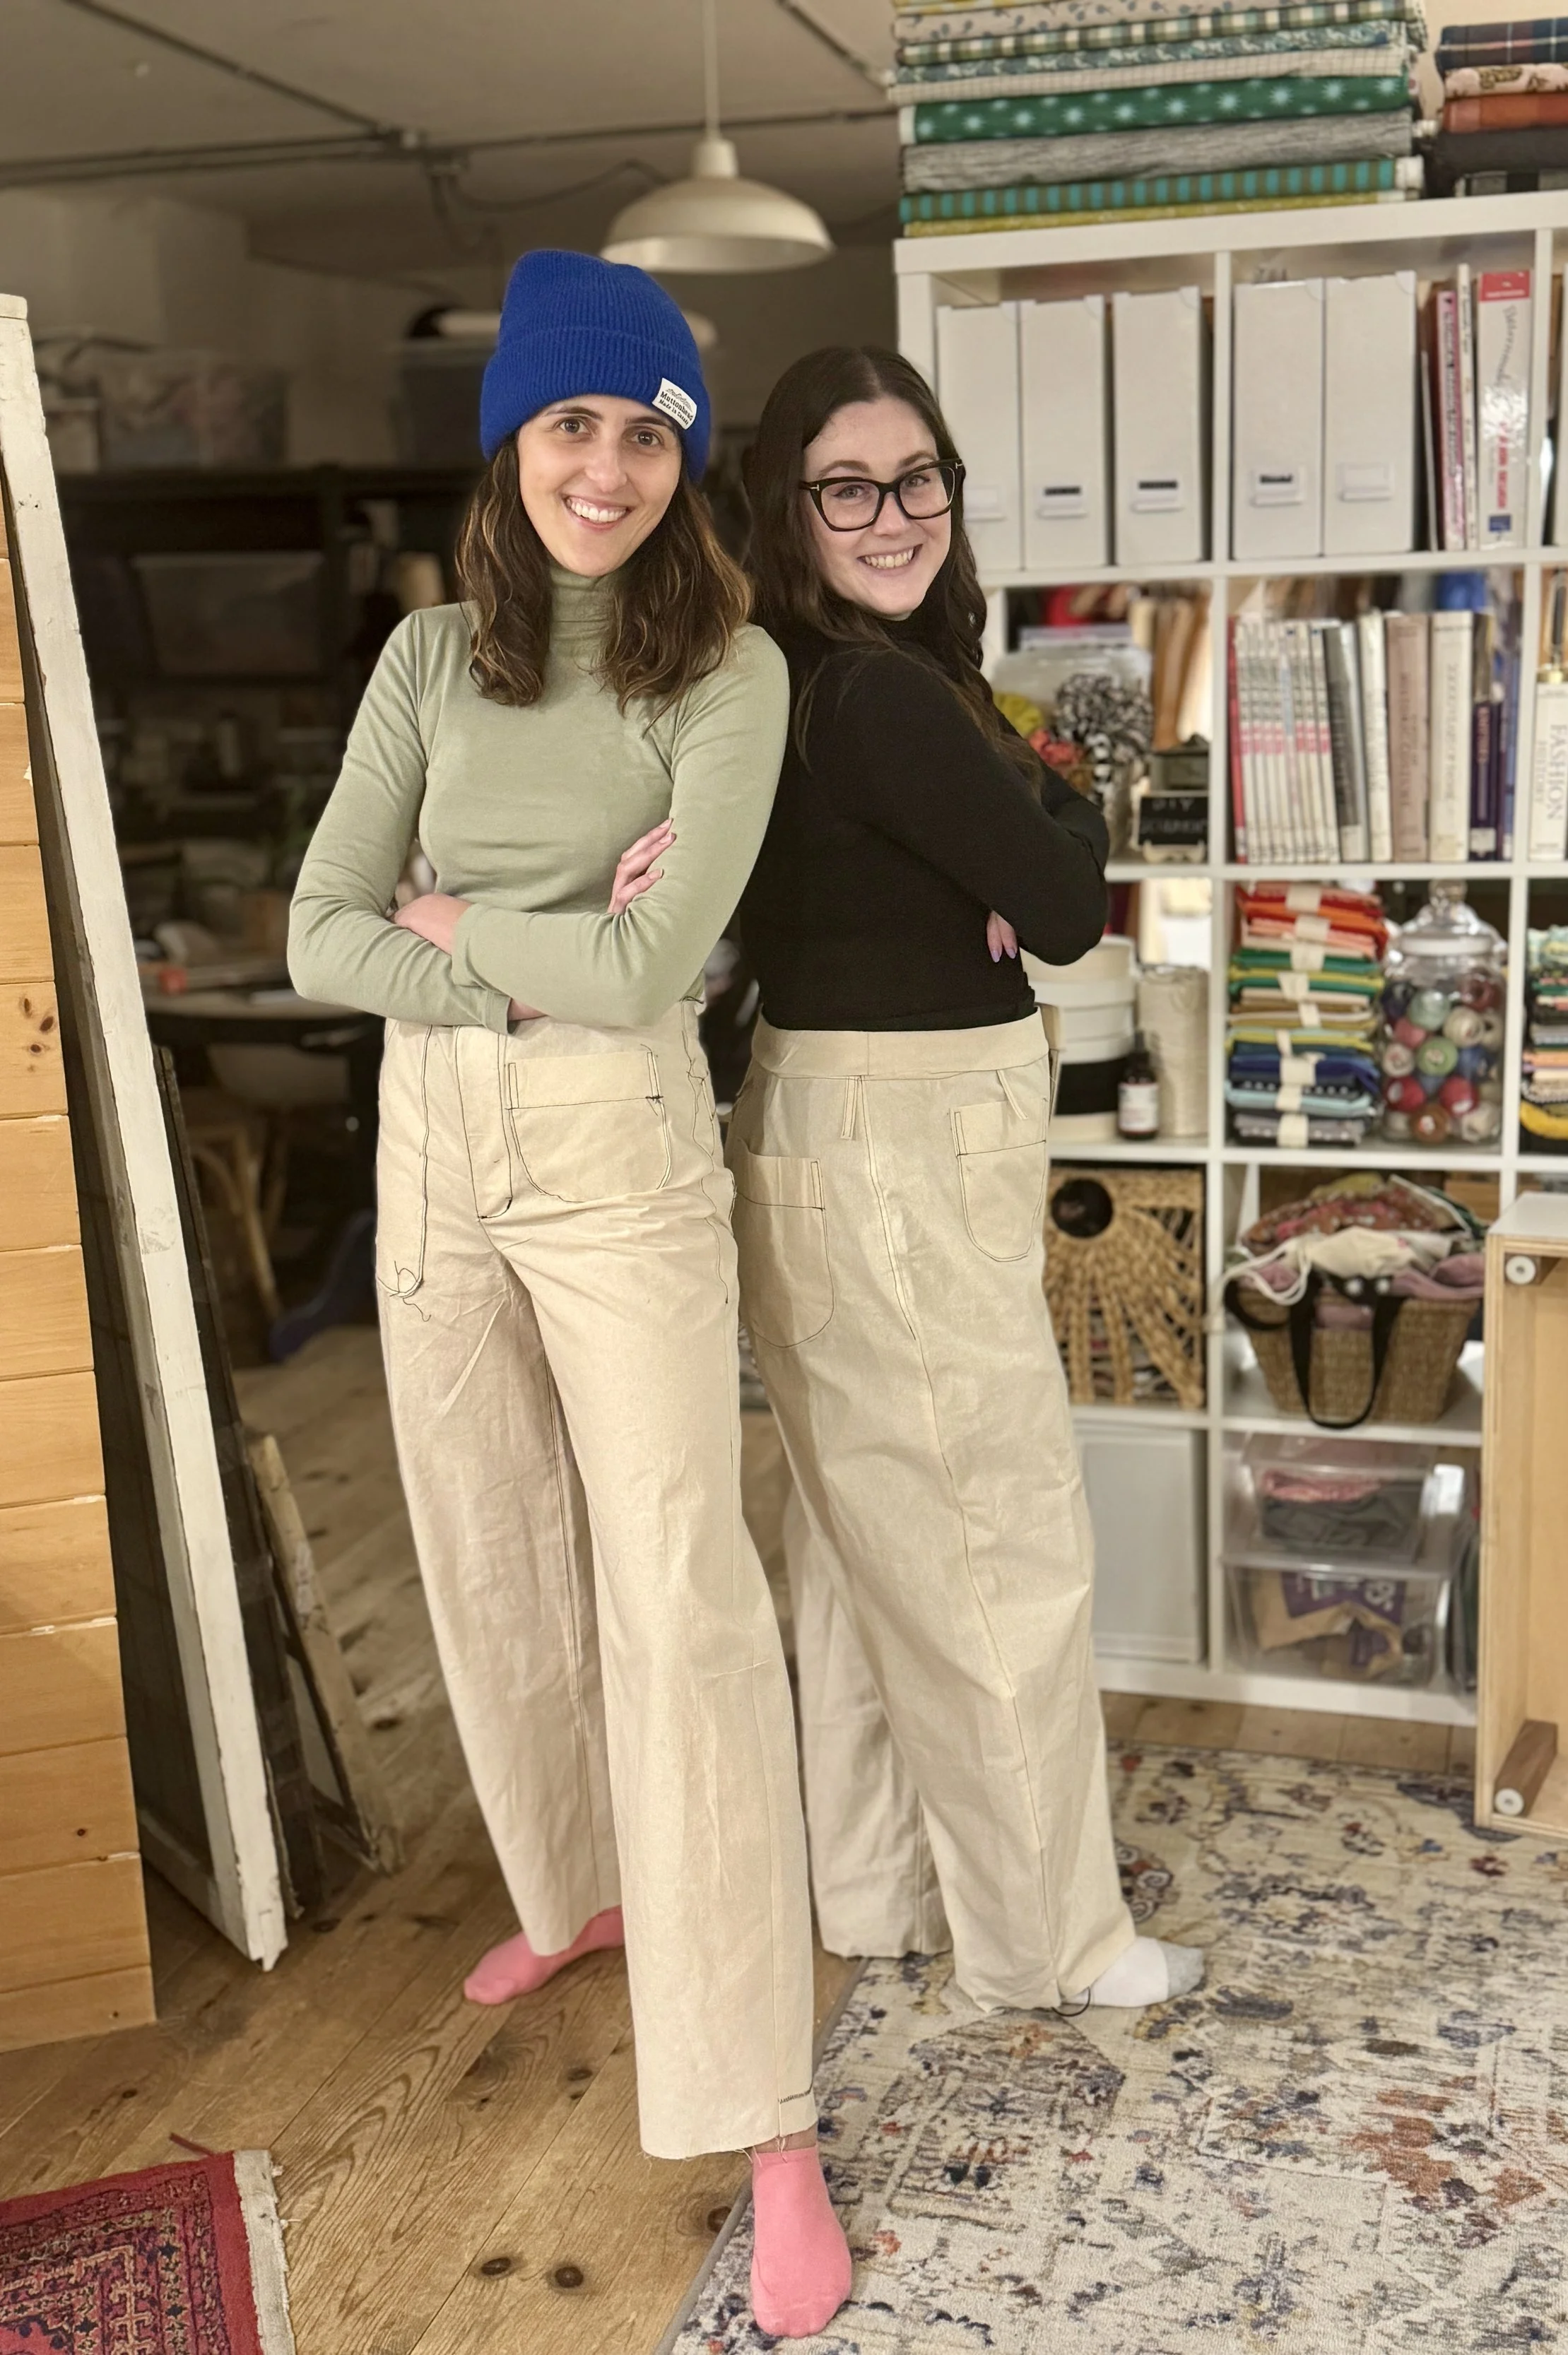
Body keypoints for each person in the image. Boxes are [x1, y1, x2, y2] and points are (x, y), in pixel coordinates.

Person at [288, 251, 849, 2341]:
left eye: (641, 431)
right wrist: (527, 943)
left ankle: (763, 2111)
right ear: (509, 440)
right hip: (435, 1141)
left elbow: (649, 973)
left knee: (679, 1604)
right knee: (487, 1542)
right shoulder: (429, 655)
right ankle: (577, 1891)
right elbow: (319, 931)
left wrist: (455, 922)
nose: (603, 467)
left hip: (616, 1151)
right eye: (567, 424)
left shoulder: (730, 675)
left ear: (683, 458)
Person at [731, 344, 1207, 2018]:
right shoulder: (878, 697)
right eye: (845, 487)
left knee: (865, 1539)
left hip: (823, 1120)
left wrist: (1016, 833)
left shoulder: (794, 674)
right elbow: (1069, 896)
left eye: (914, 476)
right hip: (898, 1142)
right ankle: (1048, 1944)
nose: (891, 514)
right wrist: (1023, 833)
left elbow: (1040, 851)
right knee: (989, 1541)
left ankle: (876, 1889)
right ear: (788, 505)